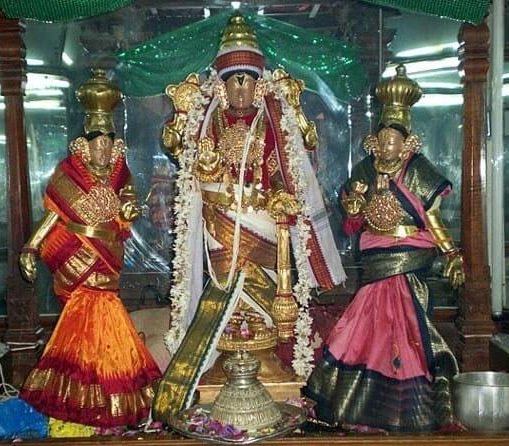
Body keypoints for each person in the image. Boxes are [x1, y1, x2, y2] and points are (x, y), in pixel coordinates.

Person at [152, 14, 345, 423]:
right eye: (233, 80)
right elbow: (192, 171)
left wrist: (279, 201)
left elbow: (281, 174)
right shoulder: (210, 123)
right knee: (224, 292)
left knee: (265, 295)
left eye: (248, 80)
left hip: (261, 225)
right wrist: (205, 168)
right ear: (221, 85)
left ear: (259, 85)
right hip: (219, 226)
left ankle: (266, 363)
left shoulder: (269, 125)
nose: (241, 89)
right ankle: (222, 360)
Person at [303, 65, 463, 432]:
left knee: (409, 332)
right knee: (363, 328)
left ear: (407, 143)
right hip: (376, 263)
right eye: (383, 139)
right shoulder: (363, 171)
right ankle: (358, 408)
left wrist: (452, 254)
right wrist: (356, 205)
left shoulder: (419, 171)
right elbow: (352, 221)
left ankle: (413, 409)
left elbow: (433, 219)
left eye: (395, 140)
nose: (388, 146)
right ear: (375, 140)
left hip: (409, 261)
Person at [18, 70, 161, 433]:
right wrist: (31, 247)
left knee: (111, 332)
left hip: (107, 261)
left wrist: (130, 209)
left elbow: (130, 205)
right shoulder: (66, 177)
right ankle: (81, 410)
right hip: (77, 264)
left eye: (110, 145)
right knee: (84, 334)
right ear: (84, 144)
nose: (104, 151)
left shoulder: (120, 174)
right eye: (98, 144)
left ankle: (110, 407)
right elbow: (53, 218)